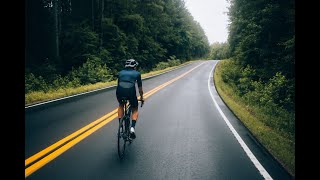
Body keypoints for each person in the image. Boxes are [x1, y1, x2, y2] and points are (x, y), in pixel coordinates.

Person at [116, 59, 144, 139]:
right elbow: (140, 89)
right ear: (134, 66)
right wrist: (141, 98)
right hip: (131, 92)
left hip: (120, 91)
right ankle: (132, 128)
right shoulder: (137, 74)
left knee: (121, 105)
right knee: (134, 109)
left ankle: (121, 127)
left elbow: (118, 84)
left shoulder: (120, 73)